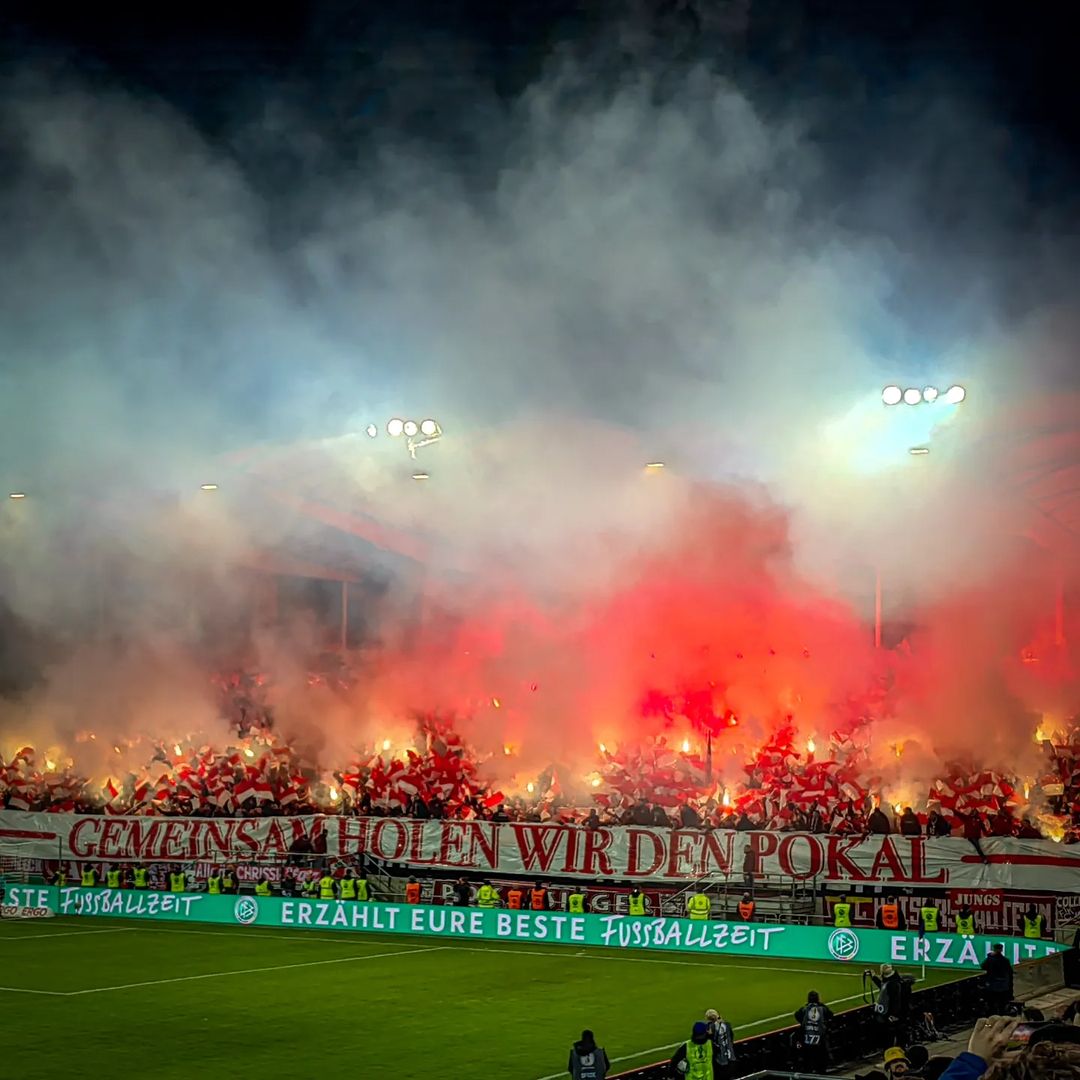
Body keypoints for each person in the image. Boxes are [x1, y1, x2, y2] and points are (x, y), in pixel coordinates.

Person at [795, 990, 833, 1073]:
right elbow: (831, 1015)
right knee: (821, 1063)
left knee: (807, 1063)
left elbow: (797, 1015)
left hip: (807, 1040)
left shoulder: (804, 1009)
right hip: (820, 1040)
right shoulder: (822, 1009)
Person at [868, 965, 906, 1046]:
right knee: (896, 1035)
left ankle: (893, 1051)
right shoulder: (893, 982)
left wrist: (894, 1015)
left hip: (891, 1015)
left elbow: (896, 1001)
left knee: (891, 1036)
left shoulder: (892, 984)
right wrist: (874, 977)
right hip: (893, 1014)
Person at [980, 944, 1014, 1015]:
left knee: (991, 1005)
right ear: (1001, 950)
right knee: (1001, 1006)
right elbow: (1010, 972)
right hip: (1003, 986)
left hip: (993, 986)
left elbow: (983, 966)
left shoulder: (990, 960)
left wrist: (989, 956)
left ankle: (991, 1020)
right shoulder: (1005, 960)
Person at [705, 1008, 736, 1079]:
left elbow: (709, 1042)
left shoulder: (710, 1028)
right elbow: (731, 1037)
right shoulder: (727, 1024)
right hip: (731, 1056)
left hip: (720, 1059)